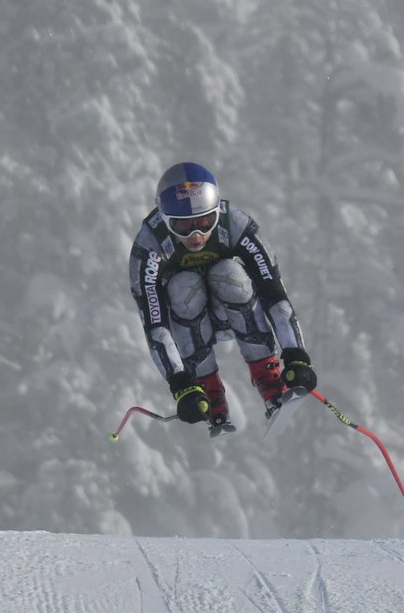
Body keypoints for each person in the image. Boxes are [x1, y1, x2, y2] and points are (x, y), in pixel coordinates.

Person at [128, 162, 318, 438]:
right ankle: (209, 395)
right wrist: (180, 383)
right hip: (186, 320)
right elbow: (156, 326)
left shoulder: (236, 225)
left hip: (232, 309)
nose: (195, 234)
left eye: (204, 221)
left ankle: (270, 382)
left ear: (216, 213)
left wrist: (295, 353)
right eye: (182, 226)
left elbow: (275, 296)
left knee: (229, 273)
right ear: (165, 219)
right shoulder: (149, 247)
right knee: (184, 286)